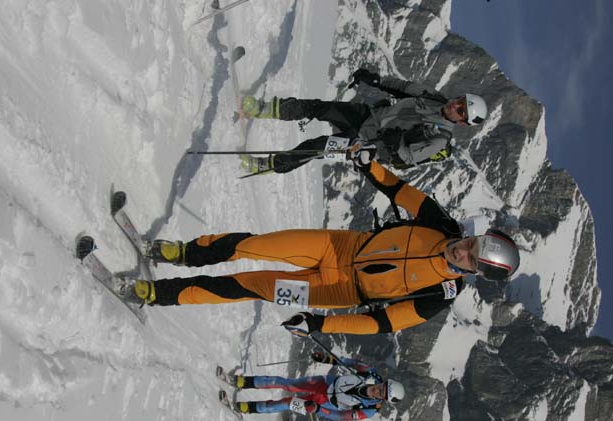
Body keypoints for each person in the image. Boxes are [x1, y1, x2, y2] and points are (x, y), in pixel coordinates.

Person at [122, 149, 520, 336]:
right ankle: (181, 253)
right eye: (473, 242)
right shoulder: (442, 223)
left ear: (474, 272)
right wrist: (367, 163)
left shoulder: (441, 294)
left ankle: (158, 294)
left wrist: (320, 324)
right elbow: (398, 190)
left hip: (335, 290)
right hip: (339, 245)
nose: (462, 250)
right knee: (255, 245)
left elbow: (380, 323)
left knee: (250, 285)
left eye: (470, 258)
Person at [238, 68, 488, 174]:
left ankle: (269, 165)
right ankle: (264, 109)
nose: (456, 105)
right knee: (319, 107)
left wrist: (395, 145)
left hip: (366, 144)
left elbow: (408, 158)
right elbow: (403, 87)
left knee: (316, 146)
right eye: (460, 101)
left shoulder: (439, 139)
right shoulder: (433, 96)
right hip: (368, 116)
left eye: (461, 111)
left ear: (462, 123)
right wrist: (376, 81)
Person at [229, 351, 404, 421]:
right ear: (383, 381)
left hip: (323, 403)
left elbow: (340, 416)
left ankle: (248, 408)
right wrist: (327, 359)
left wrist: (317, 409)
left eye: (381, 394)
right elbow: (348, 362)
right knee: (288, 385)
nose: (377, 390)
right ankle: (245, 382)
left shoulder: (369, 410)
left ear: (383, 399)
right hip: (324, 383)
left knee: (287, 403)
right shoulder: (370, 373)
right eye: (382, 386)